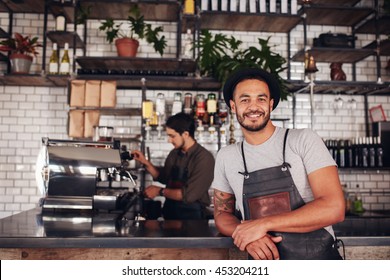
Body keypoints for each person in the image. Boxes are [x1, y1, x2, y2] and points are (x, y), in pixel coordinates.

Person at [211, 68, 345, 260]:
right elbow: (222, 215)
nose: (253, 106)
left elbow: (334, 208)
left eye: (261, 99)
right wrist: (245, 234)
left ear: (271, 104)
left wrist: (261, 225)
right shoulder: (227, 156)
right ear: (233, 106)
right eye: (245, 99)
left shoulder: (303, 140)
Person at [132, 112, 215, 220]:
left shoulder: (204, 158)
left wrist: (159, 191)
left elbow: (189, 196)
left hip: (193, 218)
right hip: (170, 214)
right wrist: (145, 162)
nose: (169, 140)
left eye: (172, 136)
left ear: (185, 134)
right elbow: (165, 177)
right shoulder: (175, 153)